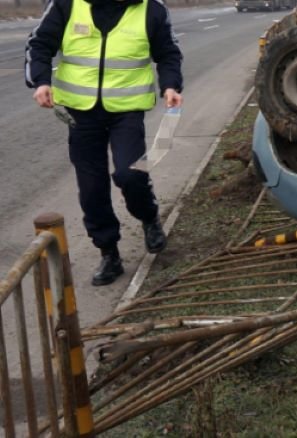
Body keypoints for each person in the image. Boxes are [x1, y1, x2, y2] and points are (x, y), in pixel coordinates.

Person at [25, 0, 183, 286]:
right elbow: (39, 43)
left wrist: (170, 84)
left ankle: (149, 217)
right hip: (81, 112)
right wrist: (41, 81)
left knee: (131, 173)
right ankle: (109, 253)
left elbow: (168, 53)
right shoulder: (67, 5)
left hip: (127, 110)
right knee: (92, 187)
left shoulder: (151, 9)